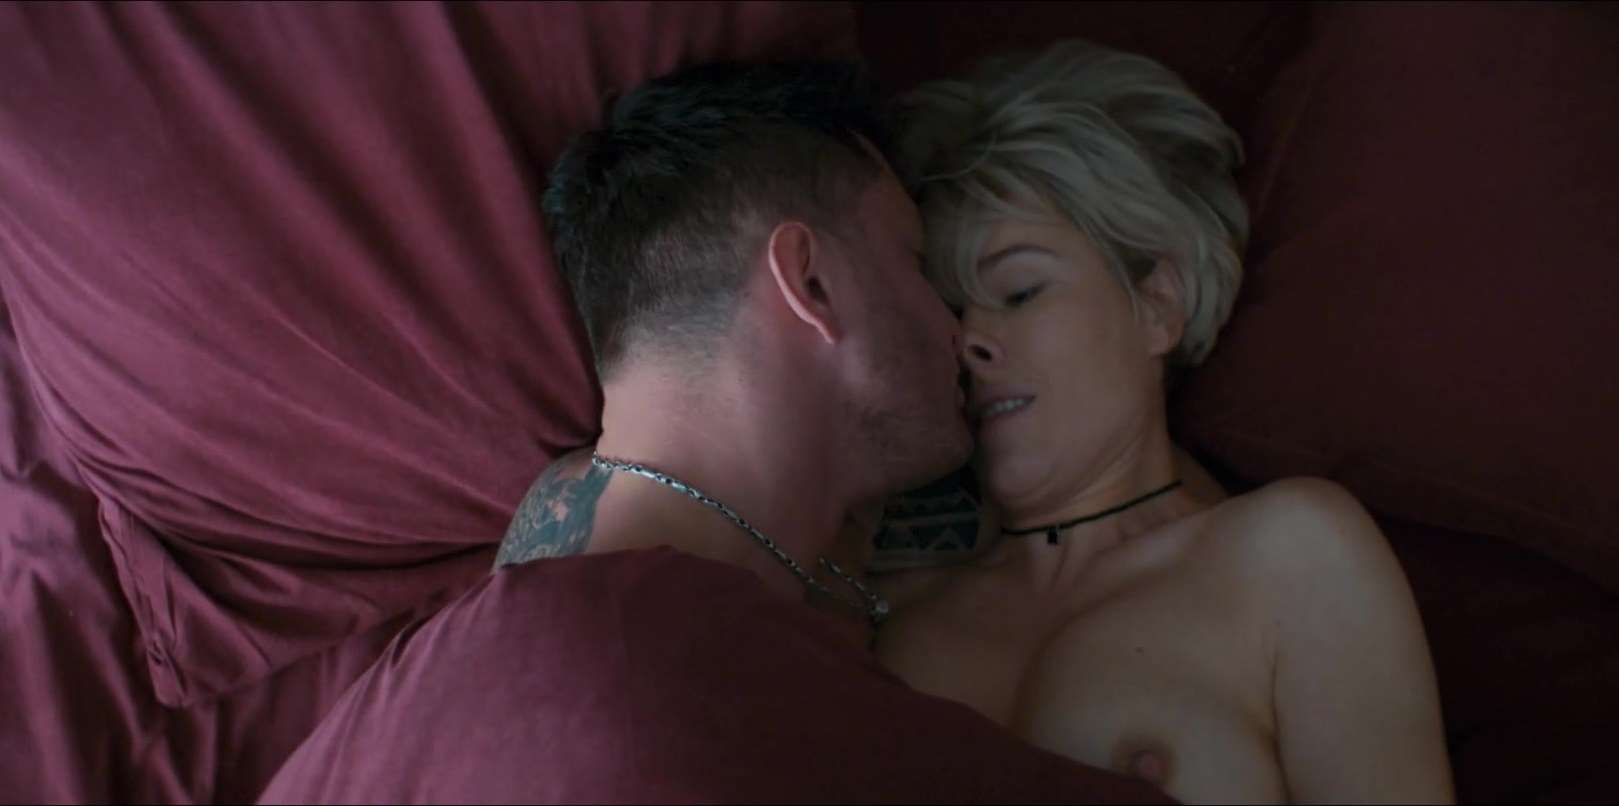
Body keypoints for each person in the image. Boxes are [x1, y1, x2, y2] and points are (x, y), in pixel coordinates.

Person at [259, 61, 1172, 803]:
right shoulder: (693, 670)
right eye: (918, 263)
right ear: (810, 284)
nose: (953, 327)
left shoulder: (565, 546)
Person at [864, 41, 1456, 804]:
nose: (967, 339)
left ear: (1159, 305)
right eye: (948, 311)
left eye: (1019, 292)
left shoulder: (1288, 557)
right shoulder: (886, 612)